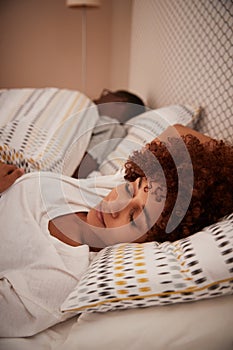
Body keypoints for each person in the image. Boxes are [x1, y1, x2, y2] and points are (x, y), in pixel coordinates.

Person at [72, 89, 146, 178]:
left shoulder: (113, 128)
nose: (100, 96)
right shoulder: (93, 118)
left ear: (120, 100)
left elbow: (79, 170)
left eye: (106, 93)